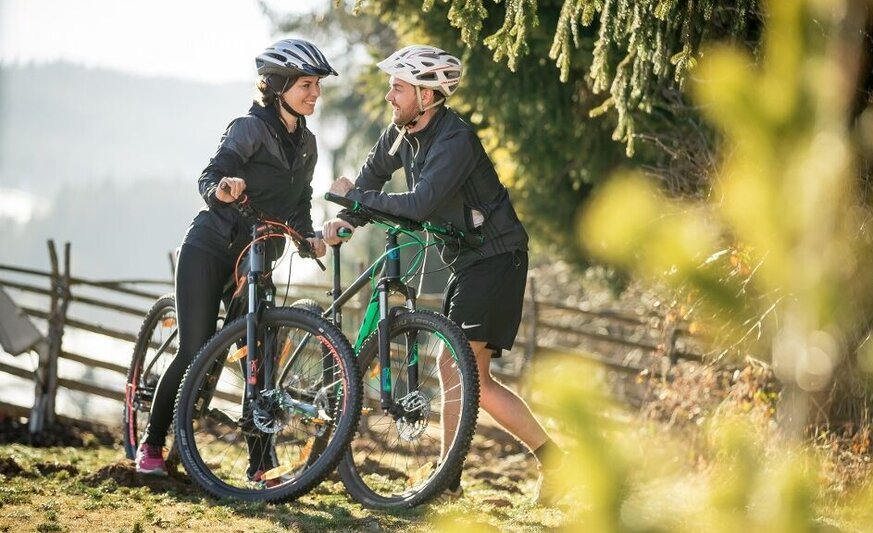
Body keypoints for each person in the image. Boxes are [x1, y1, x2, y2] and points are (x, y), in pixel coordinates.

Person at [322, 44, 565, 503]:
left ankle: (449, 480)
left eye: (398, 88)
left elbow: (417, 205)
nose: (389, 97)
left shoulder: (455, 140)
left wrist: (354, 201)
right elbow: (370, 178)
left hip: (496, 257)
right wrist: (347, 220)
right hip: (468, 258)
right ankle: (491, 473)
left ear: (427, 96)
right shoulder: (401, 132)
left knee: (458, 367)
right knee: (466, 373)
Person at [135, 39, 334, 477]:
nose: (315, 94)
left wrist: (309, 239)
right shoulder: (249, 127)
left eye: (317, 85)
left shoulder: (308, 144)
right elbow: (210, 174)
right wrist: (222, 187)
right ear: (279, 85)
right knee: (194, 349)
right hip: (211, 247)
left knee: (255, 360)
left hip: (258, 259)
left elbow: (300, 203)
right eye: (306, 85)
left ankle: (260, 463)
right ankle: (150, 442)